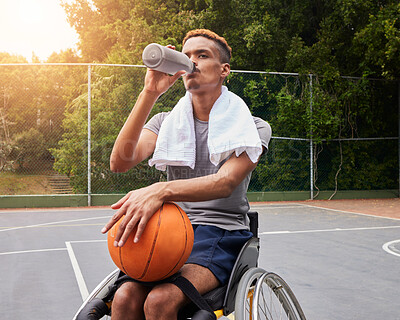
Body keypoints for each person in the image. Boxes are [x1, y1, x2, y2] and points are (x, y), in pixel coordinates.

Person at [101, 29, 271, 320]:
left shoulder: (253, 128)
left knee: (159, 301)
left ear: (223, 70)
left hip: (220, 231)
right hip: (170, 229)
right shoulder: (165, 123)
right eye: (187, 56)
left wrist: (162, 190)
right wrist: (150, 92)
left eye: (202, 56)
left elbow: (225, 182)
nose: (192, 62)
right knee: (124, 298)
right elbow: (120, 162)